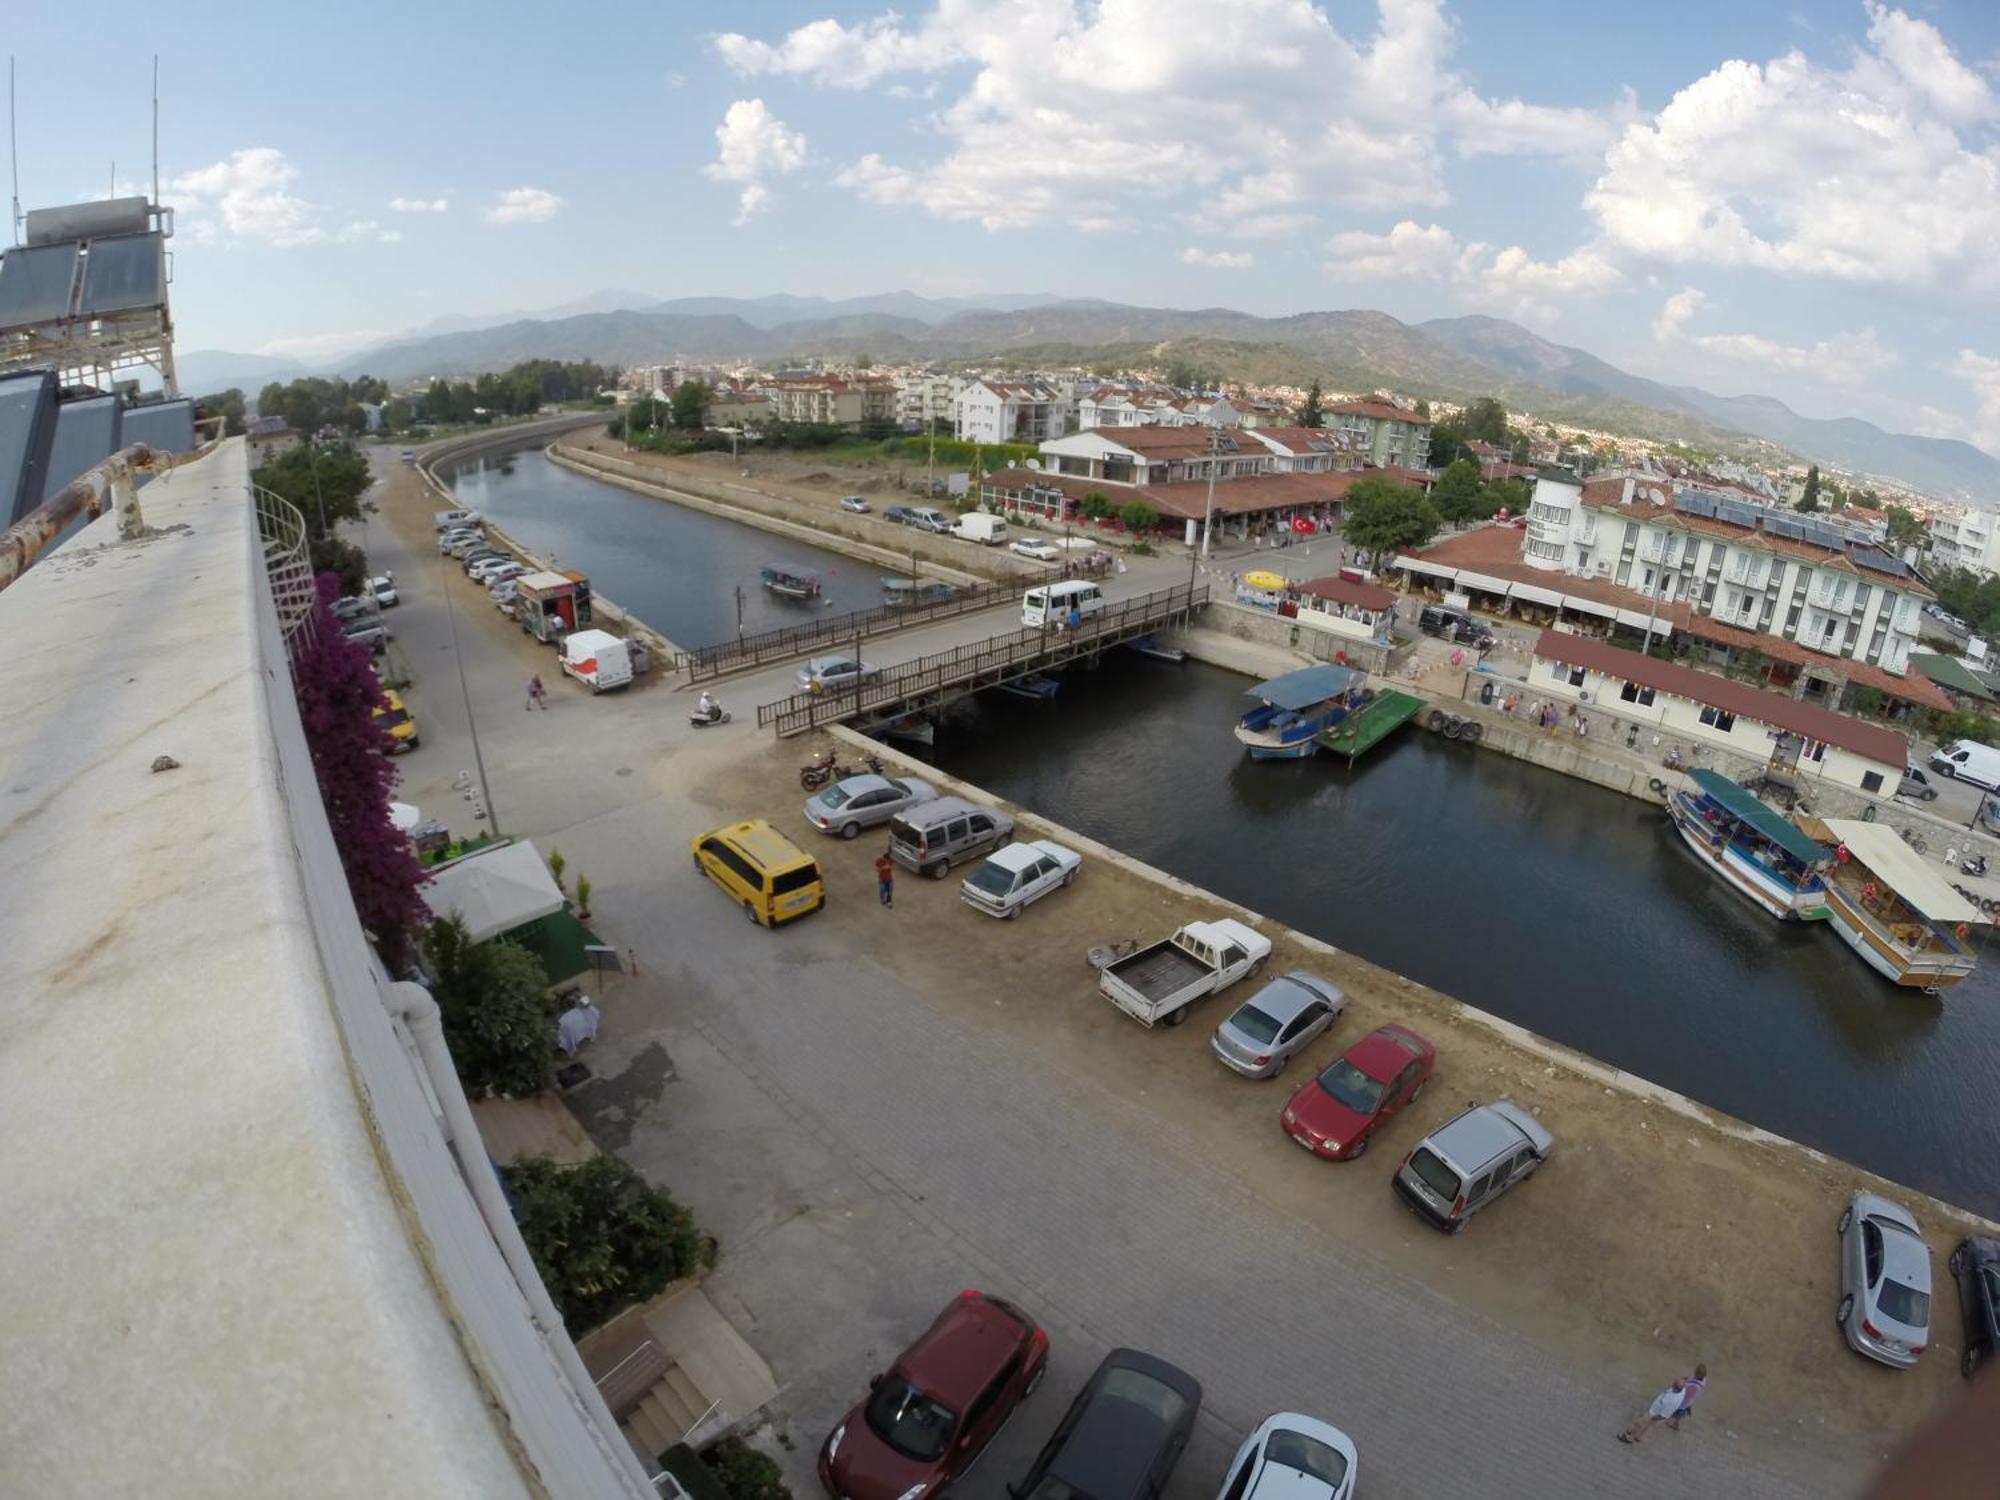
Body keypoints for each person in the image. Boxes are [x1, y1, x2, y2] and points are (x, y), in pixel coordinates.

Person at [1620, 1377, 1687, 1443]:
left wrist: (1652, 1418)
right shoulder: (1681, 1390)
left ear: (1675, 1386)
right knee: (1648, 1427)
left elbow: (1664, 1415)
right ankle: (1638, 1437)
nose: (1671, 1384)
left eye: (1673, 1383)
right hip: (1655, 1412)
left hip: (1654, 1415)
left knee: (1639, 1424)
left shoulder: (1673, 1401)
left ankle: (1627, 1437)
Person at [1670, 1364, 1707, 1431]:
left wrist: (1677, 1383)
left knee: (1673, 1413)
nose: (1694, 1373)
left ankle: (1671, 1423)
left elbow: (1683, 1389)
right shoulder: (1703, 1380)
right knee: (1679, 1416)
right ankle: (1676, 1424)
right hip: (1688, 1403)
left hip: (1682, 1403)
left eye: (1695, 1372)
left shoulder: (1694, 1386)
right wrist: (1684, 1378)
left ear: (1697, 1374)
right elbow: (1690, 1378)